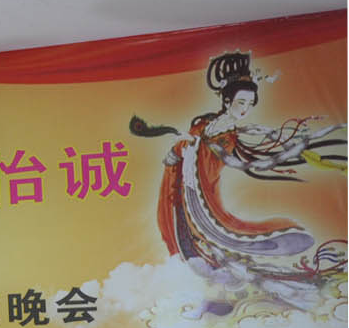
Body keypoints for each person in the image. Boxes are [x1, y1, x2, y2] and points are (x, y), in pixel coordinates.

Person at [136, 52, 346, 306]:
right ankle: (236, 293)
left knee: (214, 244)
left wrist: (289, 153)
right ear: (227, 100)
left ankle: (283, 288)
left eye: (250, 103)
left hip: (202, 194)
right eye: (241, 102)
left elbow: (230, 159)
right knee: (193, 250)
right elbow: (190, 145)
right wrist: (180, 149)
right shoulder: (207, 123)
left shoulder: (228, 136)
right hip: (184, 190)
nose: (245, 108)